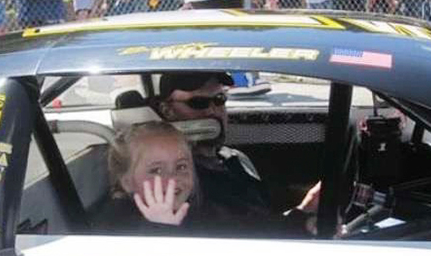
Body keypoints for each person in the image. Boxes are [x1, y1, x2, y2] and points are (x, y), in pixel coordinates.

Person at [151, 72, 318, 234]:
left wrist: (305, 211)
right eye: (199, 103)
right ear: (167, 110)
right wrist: (300, 222)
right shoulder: (176, 176)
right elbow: (226, 231)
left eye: (219, 99)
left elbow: (260, 223)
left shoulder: (234, 158)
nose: (213, 111)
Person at [100, 121, 198, 233]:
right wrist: (162, 227)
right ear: (127, 183)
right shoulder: (117, 227)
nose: (172, 179)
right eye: (157, 170)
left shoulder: (204, 212)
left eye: (181, 166)